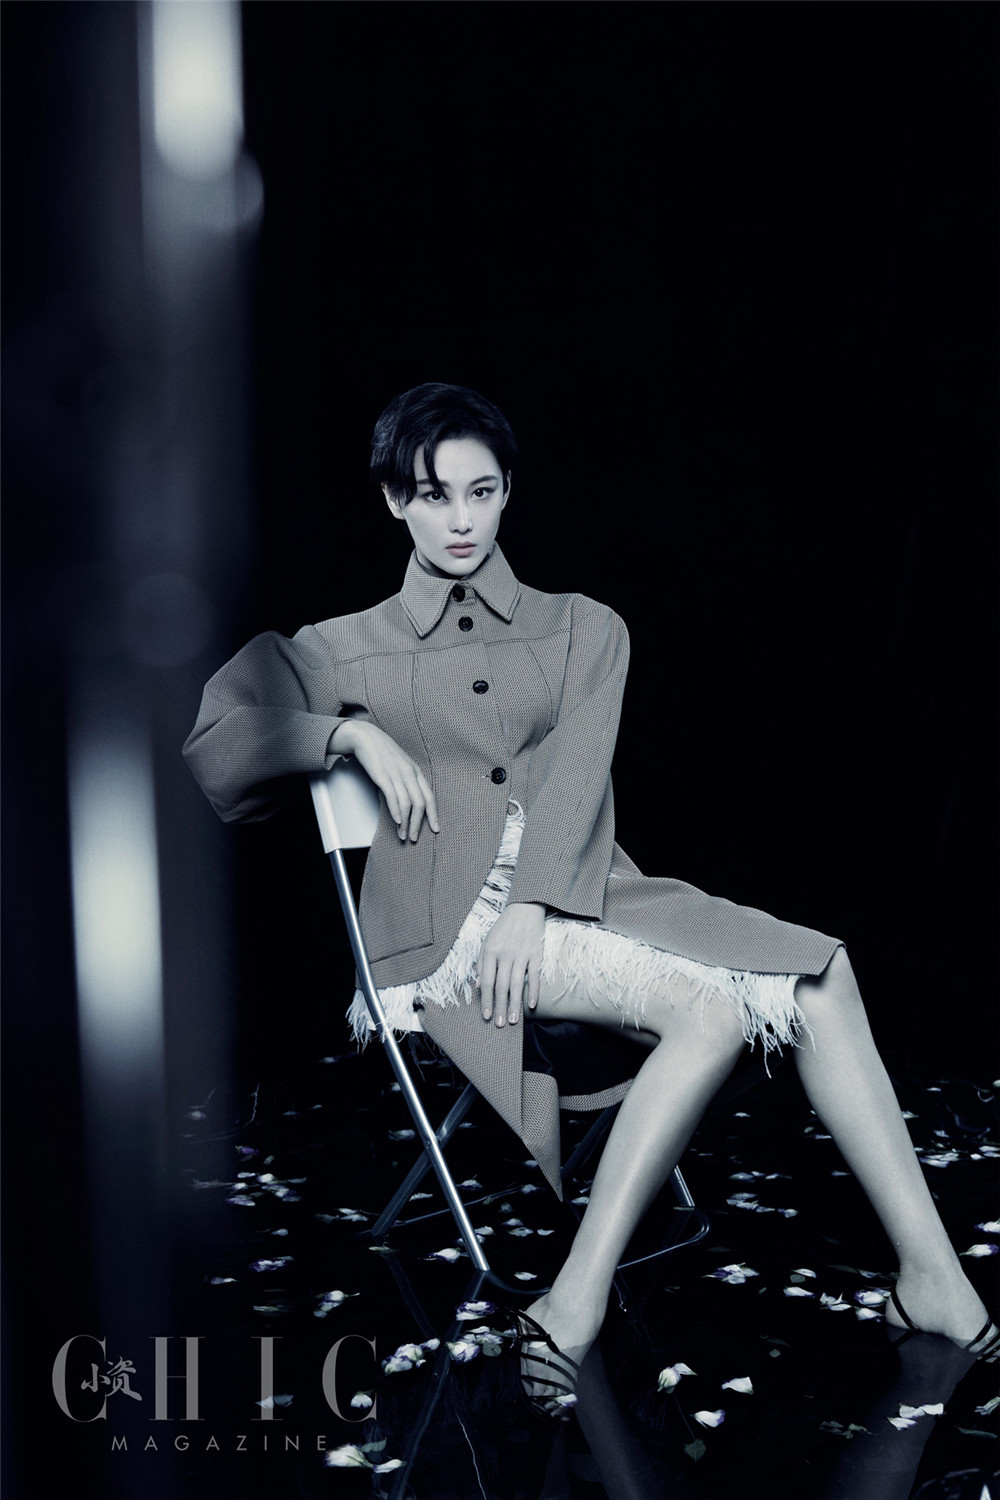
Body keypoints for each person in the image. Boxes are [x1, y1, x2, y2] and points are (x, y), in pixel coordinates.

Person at [183, 382, 996, 1412]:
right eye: (434, 495)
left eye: (482, 491)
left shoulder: (582, 628)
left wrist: (533, 905)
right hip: (443, 931)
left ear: (508, 490)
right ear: (394, 500)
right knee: (707, 1013)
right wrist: (344, 733)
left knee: (824, 969)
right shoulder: (344, 643)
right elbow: (218, 741)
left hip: (580, 895)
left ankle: (934, 1279)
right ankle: (578, 1297)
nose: (462, 519)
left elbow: (574, 784)